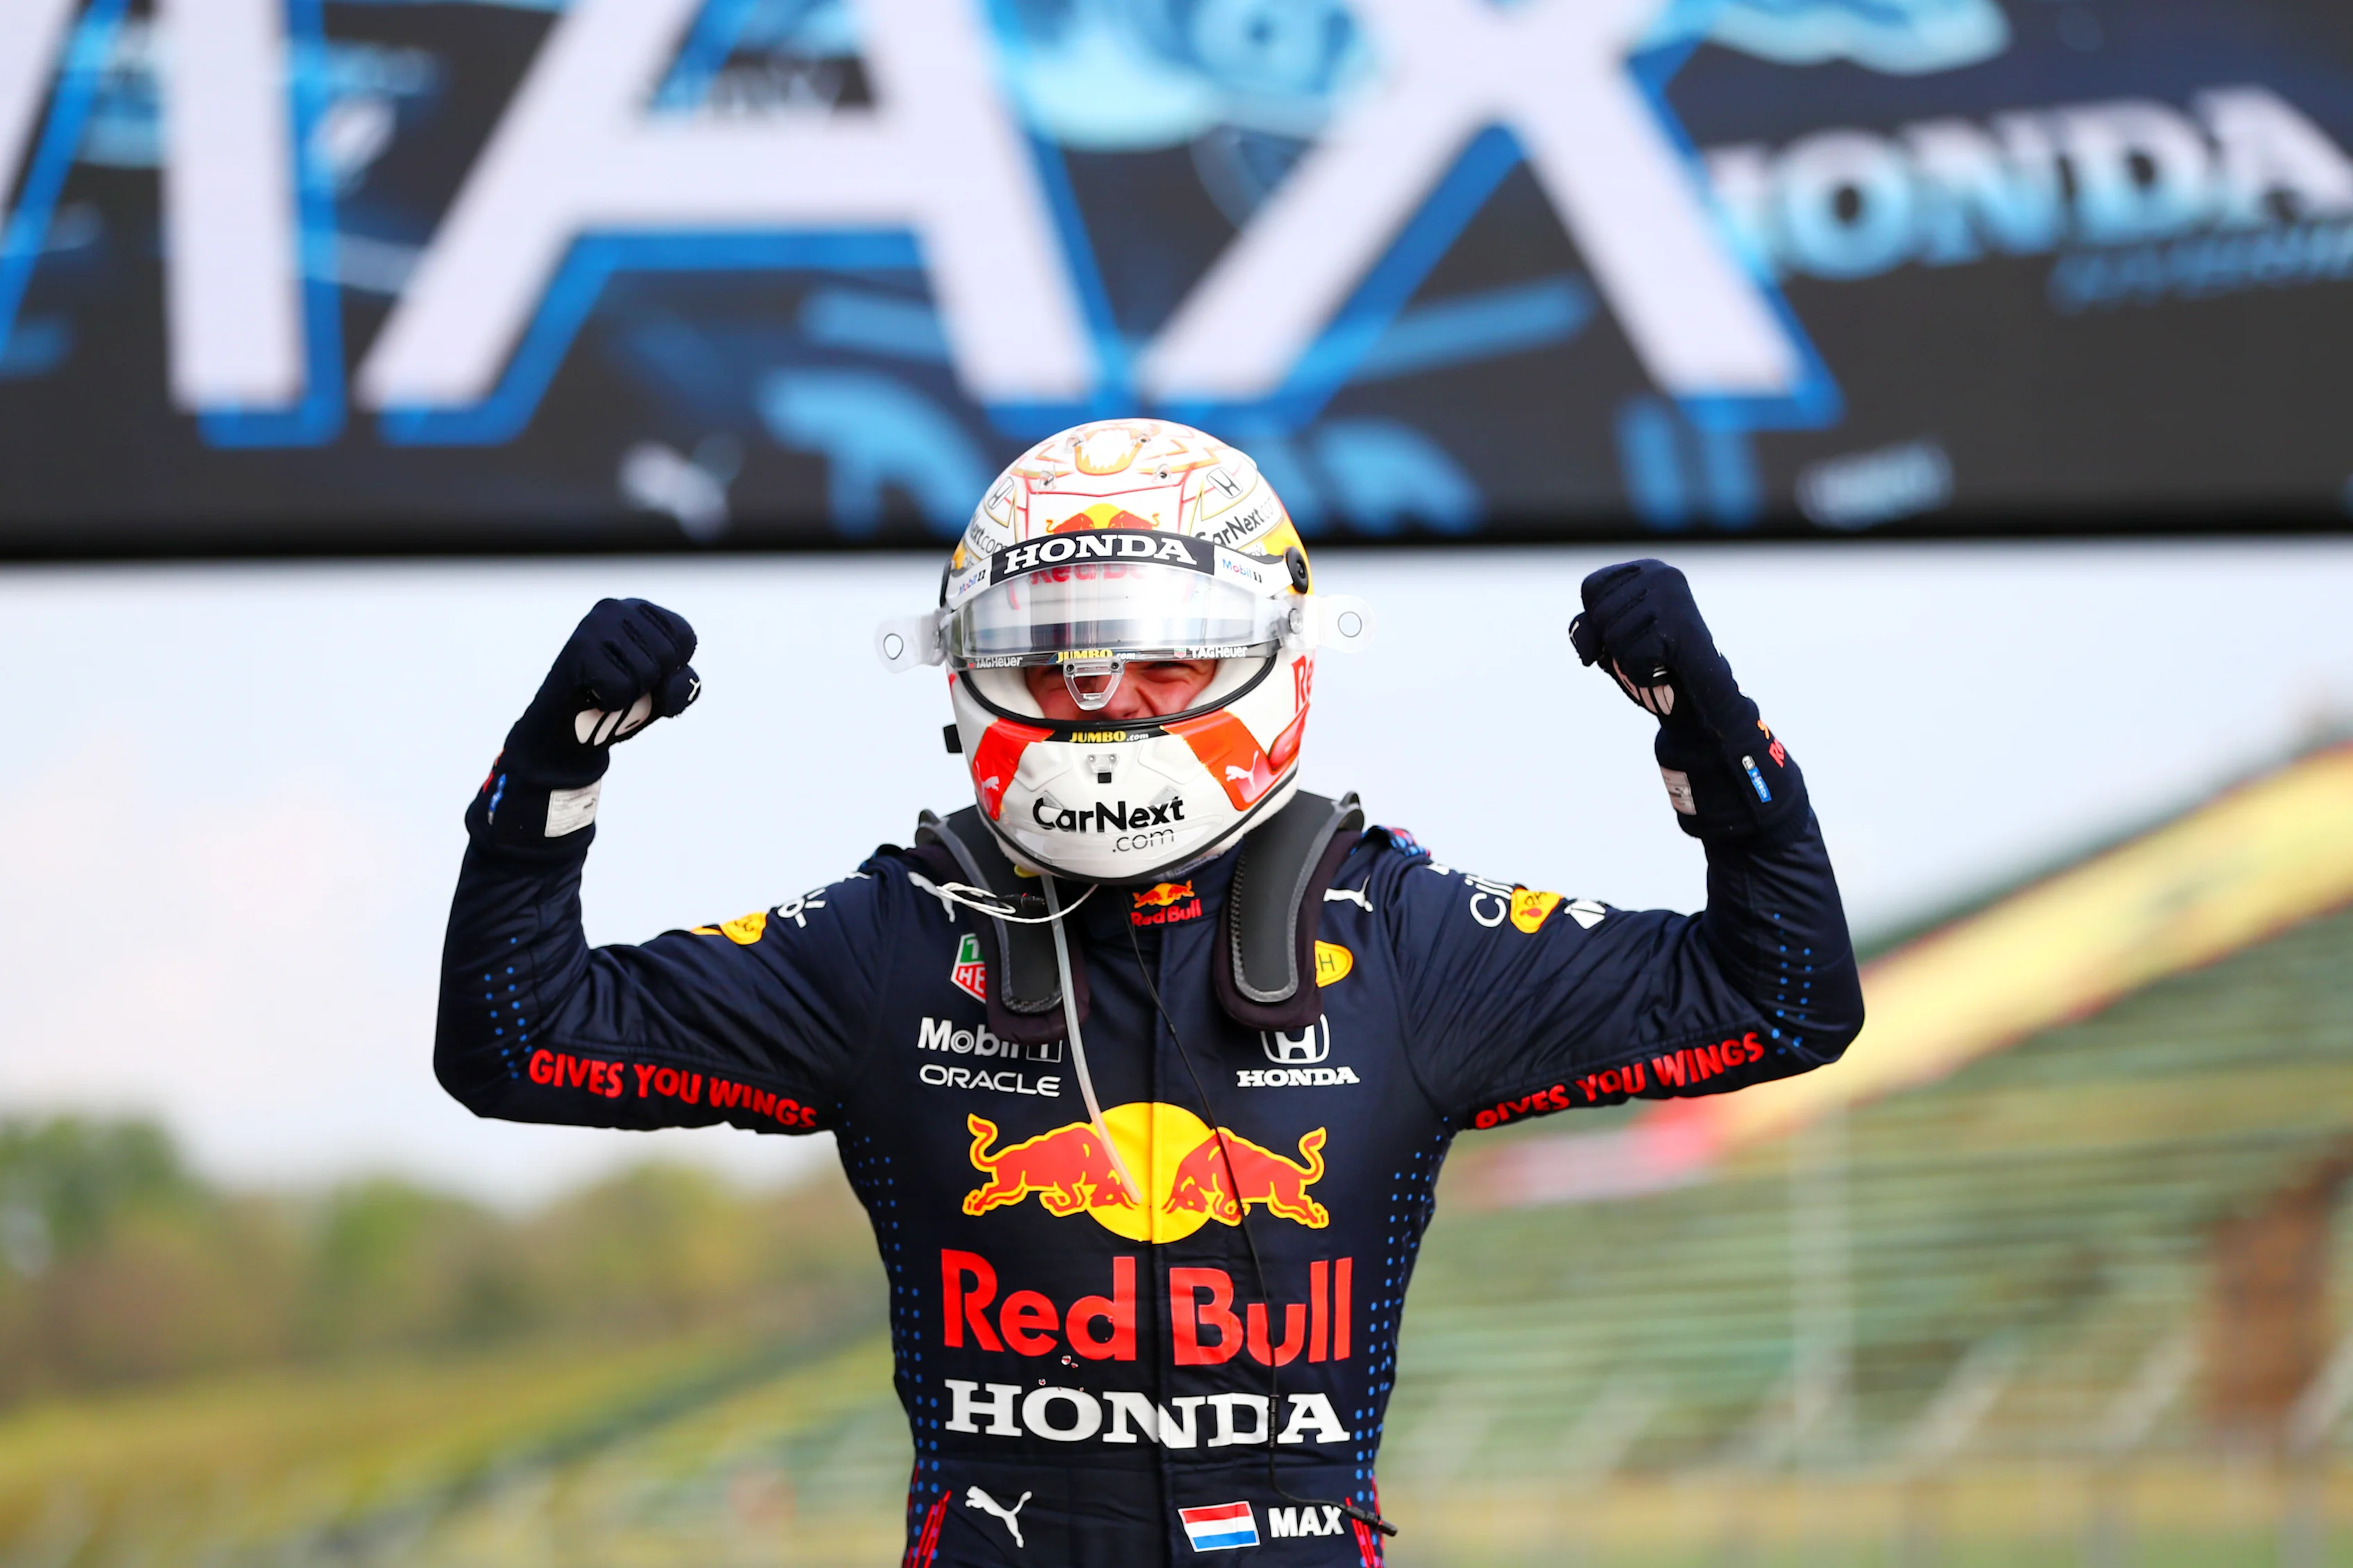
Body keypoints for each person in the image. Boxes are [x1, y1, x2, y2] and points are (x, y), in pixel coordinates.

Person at [436, 419, 1863, 1566]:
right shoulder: (890, 936)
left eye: (1158, 650)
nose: (1099, 697)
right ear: (971, 667)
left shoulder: (1408, 932)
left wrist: (1716, 743)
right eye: (1050, 651)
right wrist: (547, 777)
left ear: (1271, 658)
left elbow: (1785, 997)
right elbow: (515, 1041)